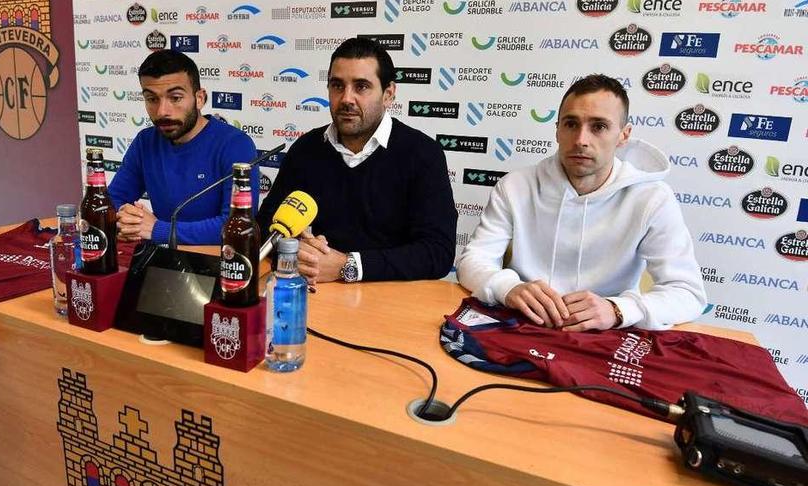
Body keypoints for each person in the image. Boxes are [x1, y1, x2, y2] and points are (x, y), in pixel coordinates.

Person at [456, 74, 706, 331]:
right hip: (523, 324)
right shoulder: (515, 186)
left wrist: (618, 309)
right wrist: (507, 287)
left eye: (598, 126)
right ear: (557, 130)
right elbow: (473, 260)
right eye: (571, 124)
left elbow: (688, 293)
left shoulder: (653, 198)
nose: (581, 140)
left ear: (623, 135)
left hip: (607, 336)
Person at [257, 37, 456, 284]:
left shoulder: (423, 153)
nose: (346, 99)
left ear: (388, 94)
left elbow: (437, 252)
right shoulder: (306, 149)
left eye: (361, 86)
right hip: (312, 294)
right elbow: (265, 224)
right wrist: (296, 248)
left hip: (387, 303)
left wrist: (348, 266)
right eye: (337, 86)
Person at [109, 50, 258, 245]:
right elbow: (112, 200)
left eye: (176, 98)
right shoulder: (145, 142)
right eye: (152, 99)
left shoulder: (235, 145)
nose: (162, 111)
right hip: (163, 263)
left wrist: (158, 230)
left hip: (218, 264)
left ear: (200, 98)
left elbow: (237, 226)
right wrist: (125, 220)